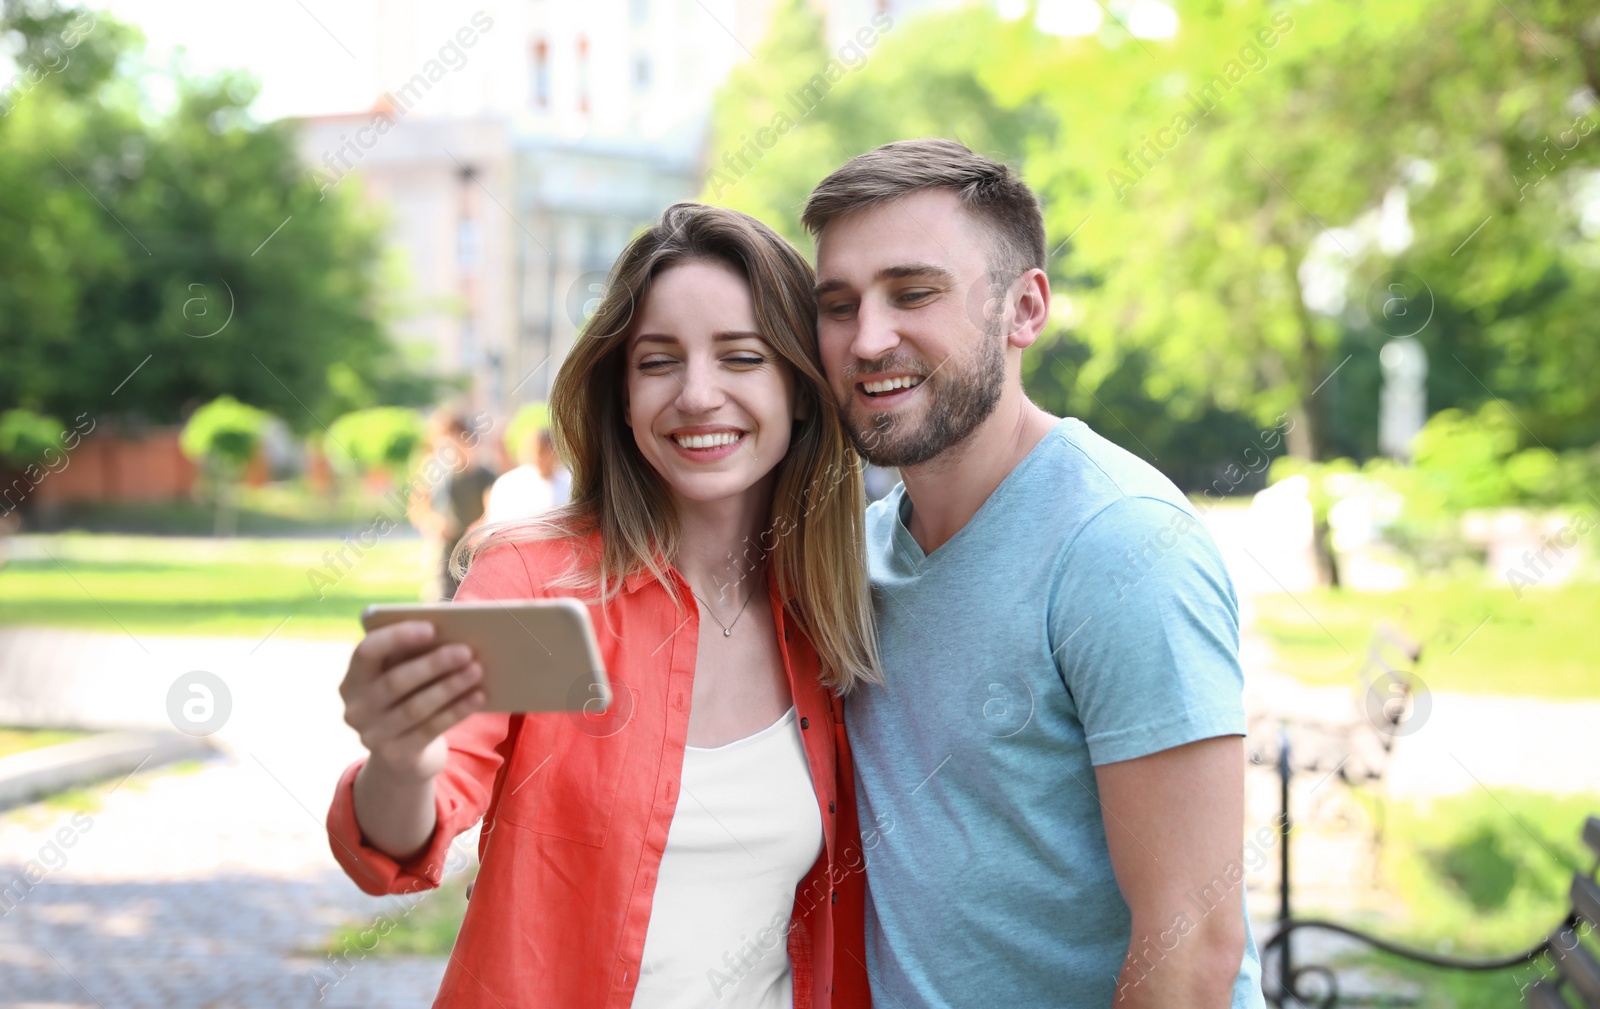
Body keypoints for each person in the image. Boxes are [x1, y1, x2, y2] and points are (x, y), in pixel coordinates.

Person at [326, 203, 879, 1009]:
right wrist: (403, 758)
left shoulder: (835, 611)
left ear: (798, 389)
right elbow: (403, 841)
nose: (697, 394)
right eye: (658, 361)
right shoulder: (532, 580)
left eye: (741, 357)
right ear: (621, 394)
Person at [805, 139, 1265, 1007]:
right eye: (838, 304)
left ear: (1024, 308)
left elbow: (1196, 946)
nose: (868, 338)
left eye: (914, 292)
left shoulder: (1122, 546)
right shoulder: (858, 557)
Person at [407, 410, 497, 601]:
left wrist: (478, 528)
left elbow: (492, 507)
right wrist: (431, 521)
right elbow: (417, 505)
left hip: (474, 551)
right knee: (440, 601)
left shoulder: (484, 473)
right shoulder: (433, 470)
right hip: (442, 551)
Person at [483, 425, 569, 524]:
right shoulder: (508, 484)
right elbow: (495, 525)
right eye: (536, 452)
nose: (539, 458)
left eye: (544, 452)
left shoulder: (570, 482)